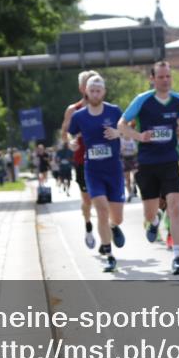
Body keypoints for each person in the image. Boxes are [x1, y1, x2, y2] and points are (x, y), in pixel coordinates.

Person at [120, 61, 179, 275]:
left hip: (170, 160)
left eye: (168, 76)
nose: (165, 80)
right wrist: (140, 136)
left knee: (175, 207)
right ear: (152, 79)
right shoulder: (142, 100)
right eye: (160, 77)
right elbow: (121, 125)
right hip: (147, 163)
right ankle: (154, 221)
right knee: (150, 213)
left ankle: (177, 257)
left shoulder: (178, 100)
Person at [66, 75, 126, 271]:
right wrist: (71, 141)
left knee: (116, 217)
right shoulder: (79, 116)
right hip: (93, 170)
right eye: (91, 90)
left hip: (114, 170)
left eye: (98, 90)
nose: (95, 94)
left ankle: (114, 227)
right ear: (86, 92)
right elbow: (70, 132)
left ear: (104, 92)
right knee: (100, 209)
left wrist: (118, 133)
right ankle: (109, 254)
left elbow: (126, 128)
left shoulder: (114, 111)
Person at [61, 70, 99, 249]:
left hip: (102, 160)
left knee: (103, 199)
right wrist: (71, 142)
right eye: (88, 83)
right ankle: (88, 226)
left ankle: (106, 233)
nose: (92, 87)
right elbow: (65, 135)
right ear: (81, 88)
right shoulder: (73, 110)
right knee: (87, 200)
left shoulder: (105, 108)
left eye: (95, 83)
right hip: (82, 160)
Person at [120, 135, 138, 201]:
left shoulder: (132, 139)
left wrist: (127, 150)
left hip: (133, 159)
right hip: (124, 159)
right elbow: (120, 151)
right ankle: (130, 193)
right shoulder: (121, 140)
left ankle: (134, 188)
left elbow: (136, 150)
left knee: (136, 176)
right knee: (127, 179)